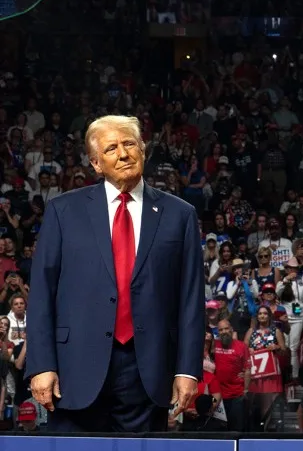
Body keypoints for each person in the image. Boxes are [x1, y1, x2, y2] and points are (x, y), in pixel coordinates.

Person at [25, 115, 205, 432]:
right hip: (74, 369)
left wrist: (188, 370)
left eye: (129, 143)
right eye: (111, 148)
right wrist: (41, 364)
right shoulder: (63, 210)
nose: (123, 154)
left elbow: (191, 299)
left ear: (143, 150)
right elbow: (41, 293)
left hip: (148, 371)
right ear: (96, 163)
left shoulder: (180, 214)